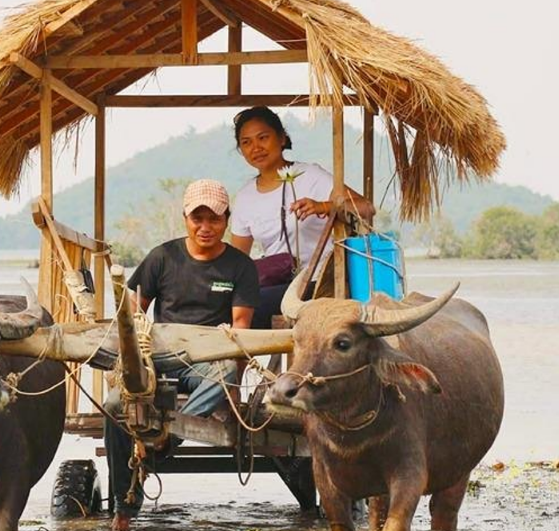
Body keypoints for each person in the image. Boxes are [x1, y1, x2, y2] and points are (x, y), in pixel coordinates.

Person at [105, 179, 260, 531]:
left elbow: (240, 329)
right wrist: (137, 348)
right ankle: (124, 505)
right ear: (185, 218)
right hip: (158, 356)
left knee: (225, 373)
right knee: (114, 407)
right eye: (197, 218)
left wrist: (228, 372)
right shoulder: (162, 257)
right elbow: (132, 314)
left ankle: (164, 439)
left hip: (207, 360)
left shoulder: (240, 267)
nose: (205, 227)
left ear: (226, 220)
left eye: (214, 219)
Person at [229, 106, 375, 329]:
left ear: (281, 138)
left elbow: (366, 208)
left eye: (263, 138)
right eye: (246, 142)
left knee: (248, 308)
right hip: (275, 282)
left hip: (316, 284)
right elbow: (237, 260)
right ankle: (232, 363)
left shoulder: (310, 176)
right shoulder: (245, 196)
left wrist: (324, 206)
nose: (255, 148)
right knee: (223, 304)